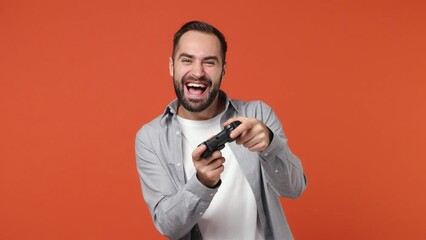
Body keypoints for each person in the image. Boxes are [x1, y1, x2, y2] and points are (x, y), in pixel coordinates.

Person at [135, 20, 307, 240]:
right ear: (172, 66)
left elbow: (294, 188)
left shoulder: (258, 114)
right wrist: (202, 184)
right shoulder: (150, 137)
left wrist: (271, 145)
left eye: (209, 62)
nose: (197, 72)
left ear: (223, 70)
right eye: (187, 60)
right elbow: (169, 227)